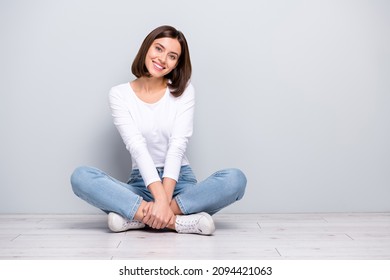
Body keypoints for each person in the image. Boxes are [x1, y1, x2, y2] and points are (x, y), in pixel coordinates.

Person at [70, 25, 247, 235]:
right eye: (159, 49)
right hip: (141, 184)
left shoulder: (183, 90)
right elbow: (136, 146)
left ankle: (138, 217)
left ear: (176, 64)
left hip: (181, 184)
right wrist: (159, 197)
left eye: (172, 56)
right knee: (81, 177)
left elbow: (178, 145)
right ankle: (178, 222)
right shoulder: (119, 94)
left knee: (235, 180)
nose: (163, 59)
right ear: (147, 48)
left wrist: (164, 200)